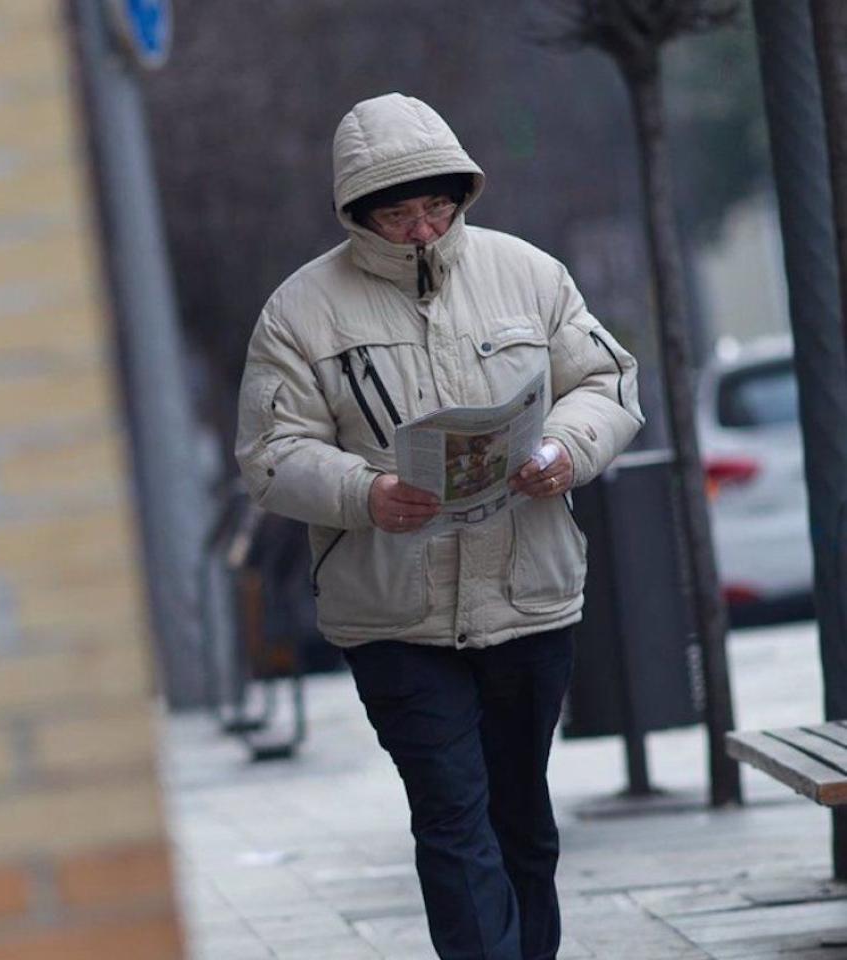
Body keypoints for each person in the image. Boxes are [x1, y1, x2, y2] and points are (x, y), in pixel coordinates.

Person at [234, 93, 644, 960]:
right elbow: (269, 452)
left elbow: (607, 384)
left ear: (462, 196)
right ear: (357, 212)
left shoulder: (530, 274)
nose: (421, 229)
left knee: (521, 818)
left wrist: (565, 451)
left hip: (528, 597)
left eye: (436, 206)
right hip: (392, 617)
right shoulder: (300, 312)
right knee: (453, 817)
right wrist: (365, 492)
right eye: (397, 212)